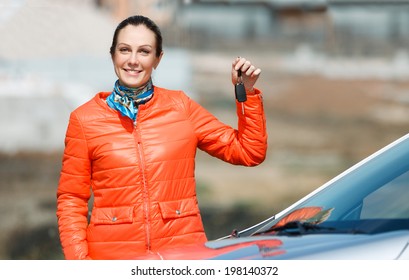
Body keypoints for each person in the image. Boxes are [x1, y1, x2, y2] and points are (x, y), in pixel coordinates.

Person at [56, 15, 267, 260]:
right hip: (112, 259)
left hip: (182, 256)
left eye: (144, 52)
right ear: (112, 54)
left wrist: (247, 93)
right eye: (125, 50)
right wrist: (80, 264)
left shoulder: (181, 107)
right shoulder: (84, 119)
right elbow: (71, 199)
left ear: (158, 59)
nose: (133, 60)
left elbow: (249, 151)